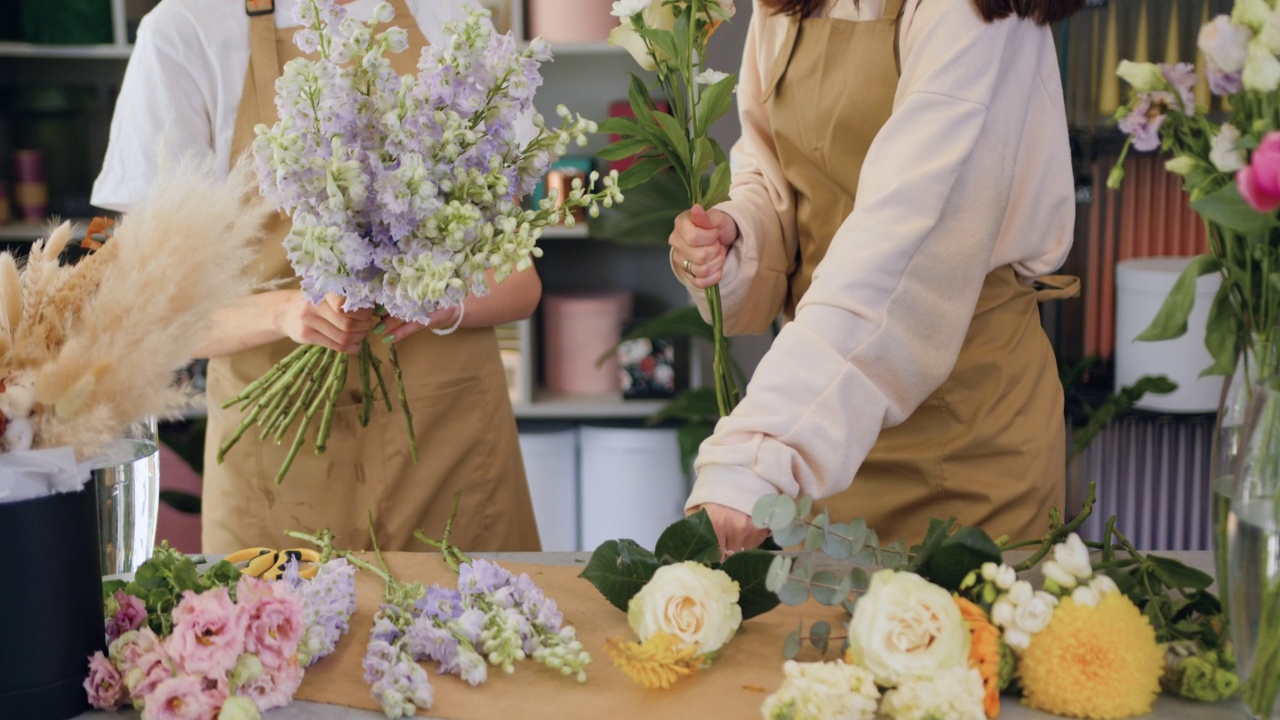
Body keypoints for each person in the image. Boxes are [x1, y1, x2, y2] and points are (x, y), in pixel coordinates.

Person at [92, 0, 542, 553]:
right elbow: (151, 308)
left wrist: (427, 298)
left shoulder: (455, 16)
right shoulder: (187, 30)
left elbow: (520, 282)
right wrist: (286, 312)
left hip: (450, 449)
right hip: (279, 463)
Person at [669, 0, 1085, 554]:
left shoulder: (972, 16)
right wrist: (738, 232)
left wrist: (758, 458)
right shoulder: (784, 7)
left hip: (962, 434)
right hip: (824, 431)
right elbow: (770, 172)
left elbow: (907, 239)